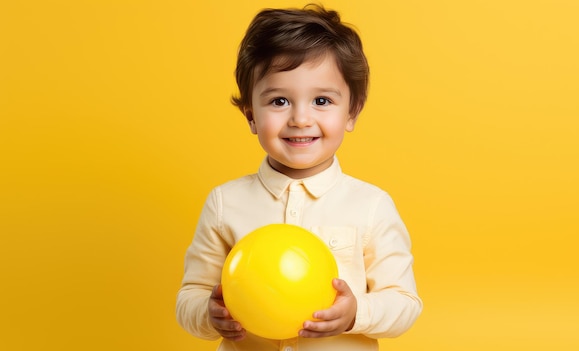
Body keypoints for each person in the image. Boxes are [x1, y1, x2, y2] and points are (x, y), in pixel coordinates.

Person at [176, 4, 422, 350]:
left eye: (322, 100)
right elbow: (189, 297)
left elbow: (404, 303)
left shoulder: (371, 206)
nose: (301, 119)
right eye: (279, 102)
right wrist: (208, 312)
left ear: (352, 111)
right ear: (250, 114)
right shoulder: (224, 203)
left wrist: (356, 313)